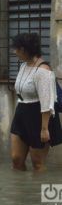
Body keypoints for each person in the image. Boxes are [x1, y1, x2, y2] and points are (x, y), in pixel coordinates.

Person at [10, 33, 62, 171]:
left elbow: (47, 102)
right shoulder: (23, 66)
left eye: (17, 49)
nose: (14, 52)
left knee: (37, 163)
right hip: (21, 112)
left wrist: (44, 129)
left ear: (26, 49)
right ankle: (21, 191)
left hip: (39, 116)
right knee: (16, 159)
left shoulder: (43, 71)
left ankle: (36, 192)